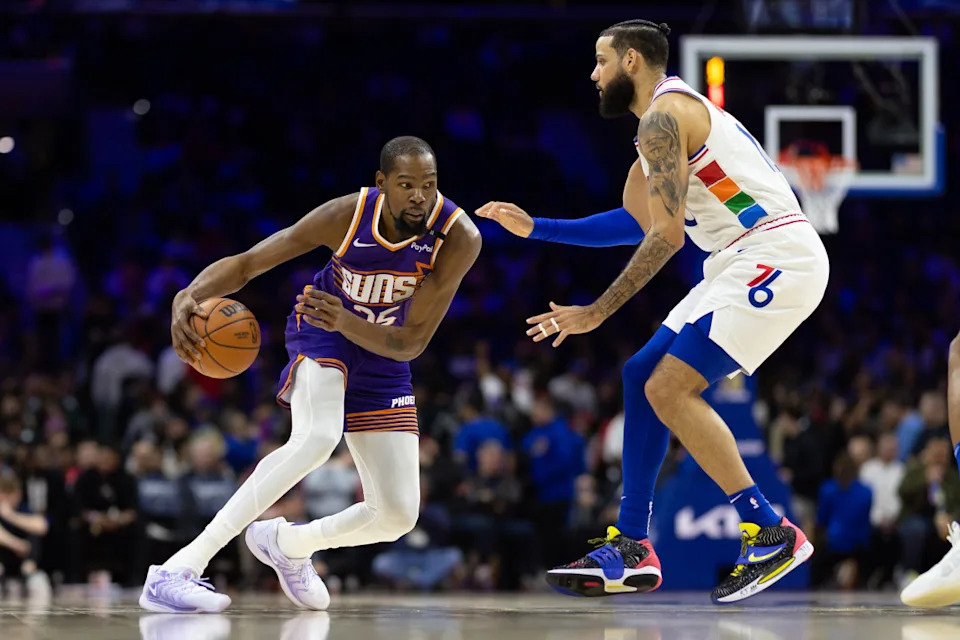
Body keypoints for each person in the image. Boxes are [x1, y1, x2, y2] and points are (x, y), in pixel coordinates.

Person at [477, 19, 828, 603]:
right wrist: (537, 227)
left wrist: (595, 312)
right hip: (736, 257)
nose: (594, 75)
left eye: (601, 61)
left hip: (777, 251)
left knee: (669, 388)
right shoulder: (652, 138)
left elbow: (665, 238)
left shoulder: (667, 119)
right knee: (641, 376)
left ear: (632, 61)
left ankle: (769, 531)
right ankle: (633, 546)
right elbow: (637, 223)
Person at [140, 136, 481, 613]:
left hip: (383, 350)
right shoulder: (346, 215)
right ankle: (179, 568)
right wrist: (189, 293)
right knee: (318, 437)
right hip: (323, 330)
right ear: (382, 184)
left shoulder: (459, 237)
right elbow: (249, 263)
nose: (419, 196)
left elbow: (411, 342)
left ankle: (289, 545)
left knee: (398, 515)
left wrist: (350, 320)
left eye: (429, 184)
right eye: (406, 185)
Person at [901, 331, 960, 607]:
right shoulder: (919, 468)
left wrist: (949, 516)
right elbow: (903, 493)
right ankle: (908, 570)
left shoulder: (948, 473)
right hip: (924, 519)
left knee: (958, 351)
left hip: (945, 519)